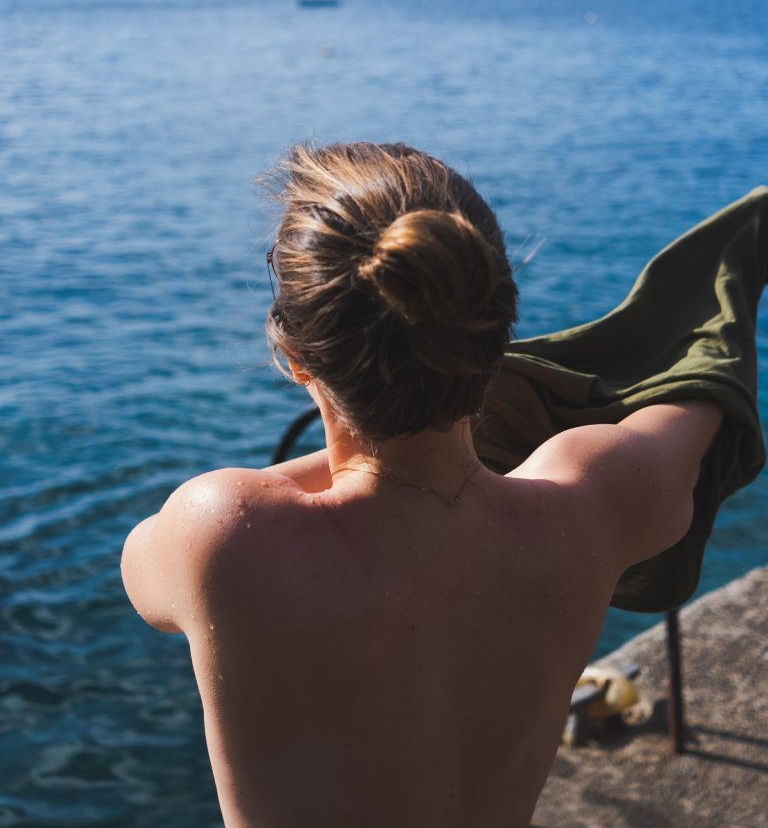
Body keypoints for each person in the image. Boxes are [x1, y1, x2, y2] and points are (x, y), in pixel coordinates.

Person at [122, 142, 722, 828]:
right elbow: (704, 389)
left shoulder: (224, 532)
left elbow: (140, 574)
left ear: (294, 358)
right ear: (495, 339)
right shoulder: (596, 501)